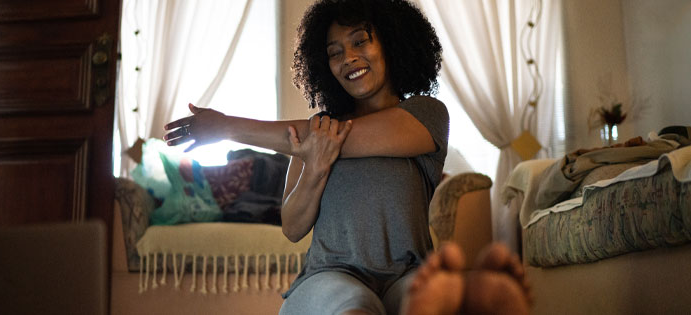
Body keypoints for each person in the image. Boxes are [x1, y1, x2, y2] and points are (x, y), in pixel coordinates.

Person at [164, 0, 530, 314]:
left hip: (408, 273)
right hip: (330, 274)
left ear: (391, 43)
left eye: (360, 41)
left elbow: (340, 139)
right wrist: (316, 168)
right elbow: (292, 227)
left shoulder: (426, 114)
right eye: (335, 52)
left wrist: (227, 126)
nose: (348, 58)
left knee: (433, 299)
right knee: (353, 306)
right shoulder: (319, 127)